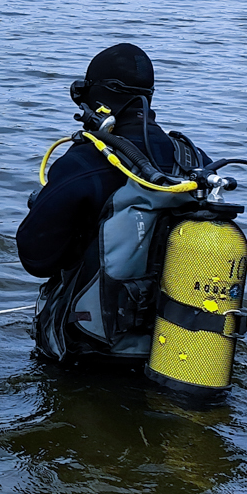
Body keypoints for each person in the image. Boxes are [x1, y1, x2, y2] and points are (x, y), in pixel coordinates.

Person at [16, 42, 209, 362]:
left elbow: (35, 260)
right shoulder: (194, 162)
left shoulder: (84, 163)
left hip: (90, 351)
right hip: (183, 353)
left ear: (98, 97)